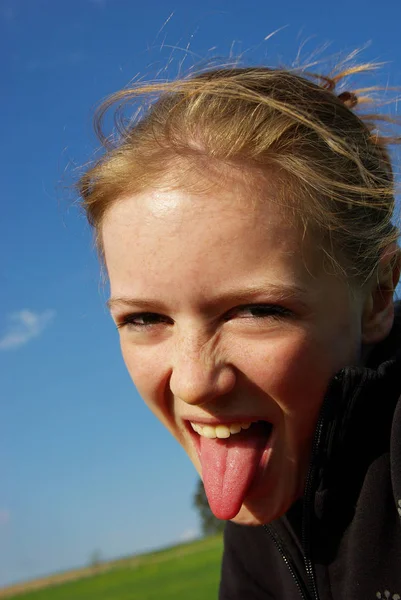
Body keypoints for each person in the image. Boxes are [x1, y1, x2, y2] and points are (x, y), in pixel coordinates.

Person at [78, 60, 401, 599]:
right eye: (144, 318)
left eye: (255, 311)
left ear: (376, 297)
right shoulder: (259, 522)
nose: (193, 383)